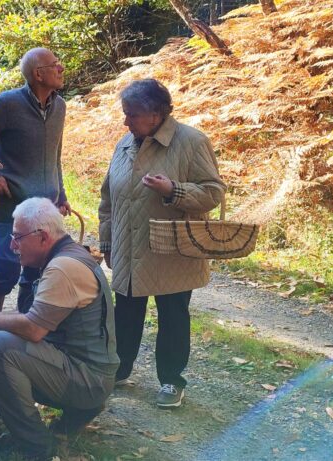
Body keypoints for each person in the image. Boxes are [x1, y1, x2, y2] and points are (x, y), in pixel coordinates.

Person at [0, 198, 117, 460]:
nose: (12, 246)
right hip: (88, 373)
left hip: (88, 381)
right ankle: (77, 412)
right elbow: (31, 319)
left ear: (43, 236)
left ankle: (36, 447)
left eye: (17, 237)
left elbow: (33, 329)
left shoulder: (62, 268)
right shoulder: (67, 256)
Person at [98, 79, 226, 408]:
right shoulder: (125, 143)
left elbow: (213, 192)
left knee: (173, 316)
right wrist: (107, 240)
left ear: (156, 114)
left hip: (172, 250)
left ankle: (172, 380)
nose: (125, 121)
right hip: (129, 246)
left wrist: (173, 190)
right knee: (125, 314)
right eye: (125, 113)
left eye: (132, 114)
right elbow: (108, 197)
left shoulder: (192, 141)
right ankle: (119, 370)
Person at [0, 47, 71, 321]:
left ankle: (25, 332)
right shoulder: (7, 104)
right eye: (55, 64)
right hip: (12, 208)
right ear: (38, 74)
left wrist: (62, 194)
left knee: (36, 275)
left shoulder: (60, 106)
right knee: (6, 273)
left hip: (46, 210)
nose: (61, 68)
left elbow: (55, 154)